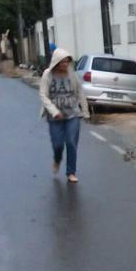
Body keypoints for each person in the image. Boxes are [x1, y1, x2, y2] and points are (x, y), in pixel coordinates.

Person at [39, 48, 89, 183]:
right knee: (58, 145)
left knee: (71, 143)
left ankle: (71, 172)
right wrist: (54, 111)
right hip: (55, 117)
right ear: (56, 62)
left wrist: (85, 111)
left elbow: (80, 92)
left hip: (73, 114)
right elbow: (43, 94)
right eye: (63, 62)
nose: (65, 64)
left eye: (67, 62)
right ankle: (57, 159)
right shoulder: (47, 74)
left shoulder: (72, 74)